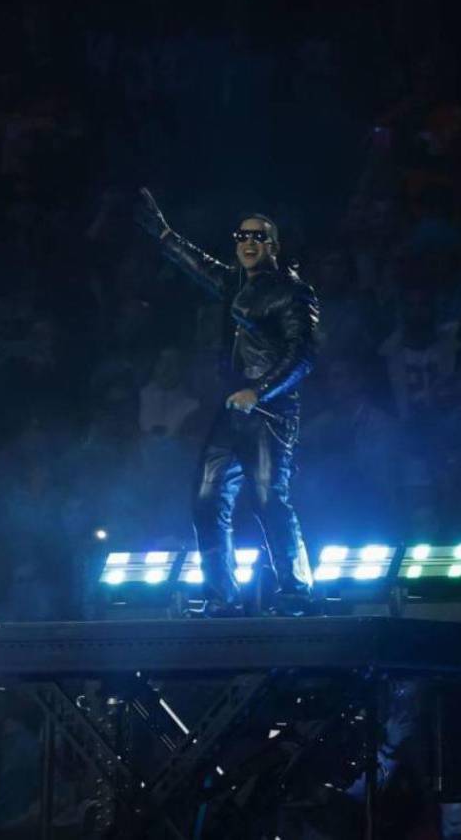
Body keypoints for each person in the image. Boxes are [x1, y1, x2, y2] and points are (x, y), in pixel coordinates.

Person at [136, 189, 319, 615]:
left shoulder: (292, 292)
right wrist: (163, 235)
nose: (248, 242)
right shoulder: (235, 281)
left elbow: (303, 354)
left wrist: (260, 390)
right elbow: (199, 265)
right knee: (206, 498)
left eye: (258, 236)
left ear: (274, 245)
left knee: (267, 497)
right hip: (232, 410)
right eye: (241, 236)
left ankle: (295, 590)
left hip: (269, 413)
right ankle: (222, 596)